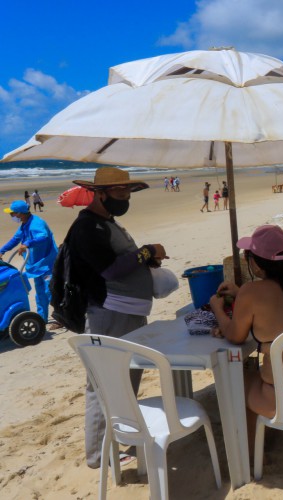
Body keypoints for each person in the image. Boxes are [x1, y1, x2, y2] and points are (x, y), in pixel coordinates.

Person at [64, 167, 168, 468]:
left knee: (127, 378)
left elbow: (122, 262)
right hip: (106, 314)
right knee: (103, 382)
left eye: (128, 191)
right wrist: (147, 253)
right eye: (120, 192)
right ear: (100, 193)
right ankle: (99, 453)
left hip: (127, 314)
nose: (125, 197)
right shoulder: (87, 227)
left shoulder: (108, 223)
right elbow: (109, 270)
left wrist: (147, 259)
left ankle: (119, 435)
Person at [208, 225, 283, 446]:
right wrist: (241, 295)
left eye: (248, 255)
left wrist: (217, 308)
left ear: (256, 264)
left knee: (236, 383)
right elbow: (281, 305)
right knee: (258, 375)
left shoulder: (251, 292)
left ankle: (251, 456)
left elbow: (235, 336)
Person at [0, 200, 58, 324]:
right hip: (36, 266)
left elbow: (43, 237)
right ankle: (42, 318)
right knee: (40, 293)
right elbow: (15, 239)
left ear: (20, 214)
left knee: (50, 292)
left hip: (48, 264)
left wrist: (27, 244)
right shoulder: (24, 225)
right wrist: (2, 250)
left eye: (12, 214)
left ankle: (62, 319)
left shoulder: (37, 223)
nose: (11, 216)